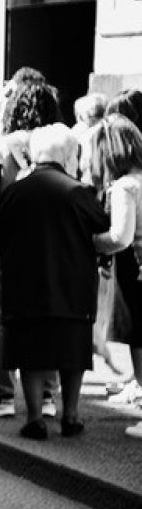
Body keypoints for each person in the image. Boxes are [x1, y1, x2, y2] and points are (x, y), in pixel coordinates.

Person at [0, 125, 108, 440]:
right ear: (68, 154)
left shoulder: (13, 192)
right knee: (72, 351)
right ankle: (70, 417)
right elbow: (103, 229)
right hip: (72, 289)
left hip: (25, 288)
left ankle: (34, 419)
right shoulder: (78, 192)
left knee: (31, 353)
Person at [0, 76, 65, 417]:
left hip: (8, 244)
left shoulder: (0, 146)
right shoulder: (63, 145)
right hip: (53, 243)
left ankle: (4, 393)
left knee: (5, 317)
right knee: (47, 316)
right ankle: (49, 396)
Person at [87, 114, 142, 436]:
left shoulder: (124, 187)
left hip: (134, 267)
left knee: (138, 332)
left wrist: (93, 242)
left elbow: (120, 236)